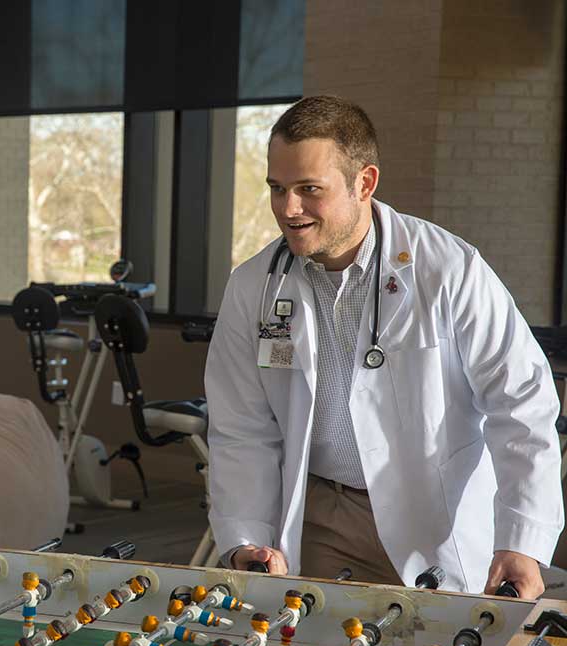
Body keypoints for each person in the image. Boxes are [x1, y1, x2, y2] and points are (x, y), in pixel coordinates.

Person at [206, 95, 564, 598]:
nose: (289, 209)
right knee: (312, 639)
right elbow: (241, 428)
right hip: (322, 516)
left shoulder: (449, 270)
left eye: (309, 189)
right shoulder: (253, 286)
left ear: (364, 183)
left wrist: (521, 541)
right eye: (277, 188)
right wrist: (245, 537)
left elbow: (520, 406)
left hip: (434, 520)